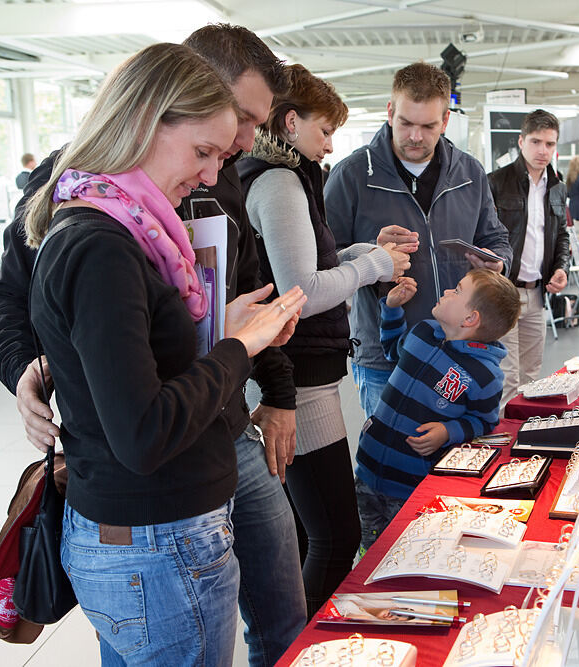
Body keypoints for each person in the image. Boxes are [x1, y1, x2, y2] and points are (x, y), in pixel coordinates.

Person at [0, 24, 309, 667]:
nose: (225, 162)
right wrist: (239, 346)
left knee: (275, 614)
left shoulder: (126, 214)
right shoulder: (99, 234)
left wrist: (239, 341)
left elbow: (145, 346)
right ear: (153, 118)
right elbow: (138, 427)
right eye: (214, 143)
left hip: (191, 467)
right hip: (156, 517)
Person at [236, 64, 410, 617]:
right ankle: (302, 644)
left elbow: (307, 265)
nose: (330, 142)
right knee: (336, 535)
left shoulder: (281, 177)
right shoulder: (281, 181)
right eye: (325, 129)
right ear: (290, 122)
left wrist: (360, 255)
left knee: (310, 535)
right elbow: (303, 293)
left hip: (295, 372)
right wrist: (374, 263)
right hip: (299, 377)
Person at [325, 61, 512, 418]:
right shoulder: (350, 176)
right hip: (386, 358)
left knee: (457, 463)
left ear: (445, 122)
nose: (415, 136)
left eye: (428, 126)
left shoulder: (470, 172)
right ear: (390, 112)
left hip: (461, 351)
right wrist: (370, 256)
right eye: (406, 123)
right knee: (388, 461)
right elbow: (323, 261)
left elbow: (497, 238)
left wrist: (498, 261)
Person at [353, 270, 519, 548]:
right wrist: (392, 309)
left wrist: (448, 430)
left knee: (401, 549)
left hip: (410, 485)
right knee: (366, 545)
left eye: (456, 290)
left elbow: (484, 421)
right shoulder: (424, 331)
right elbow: (393, 349)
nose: (446, 292)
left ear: (470, 319)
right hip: (368, 469)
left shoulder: (486, 375)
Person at [486, 109, 570, 410]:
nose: (543, 151)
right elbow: (482, 237)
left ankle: (521, 442)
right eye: (536, 142)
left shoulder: (557, 187)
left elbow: (562, 236)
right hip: (503, 291)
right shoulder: (495, 182)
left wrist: (561, 267)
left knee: (531, 377)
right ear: (521, 142)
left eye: (549, 144)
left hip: (537, 293)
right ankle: (504, 446)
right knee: (506, 377)